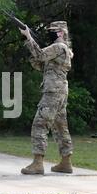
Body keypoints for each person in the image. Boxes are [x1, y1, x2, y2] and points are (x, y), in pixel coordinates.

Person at [20, 21, 75, 175]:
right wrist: (31, 47)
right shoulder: (64, 49)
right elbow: (40, 65)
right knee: (60, 126)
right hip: (60, 91)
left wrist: (29, 37)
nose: (49, 32)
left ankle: (38, 163)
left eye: (53, 30)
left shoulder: (59, 47)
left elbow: (40, 55)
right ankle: (66, 162)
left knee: (40, 124)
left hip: (53, 92)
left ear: (61, 33)